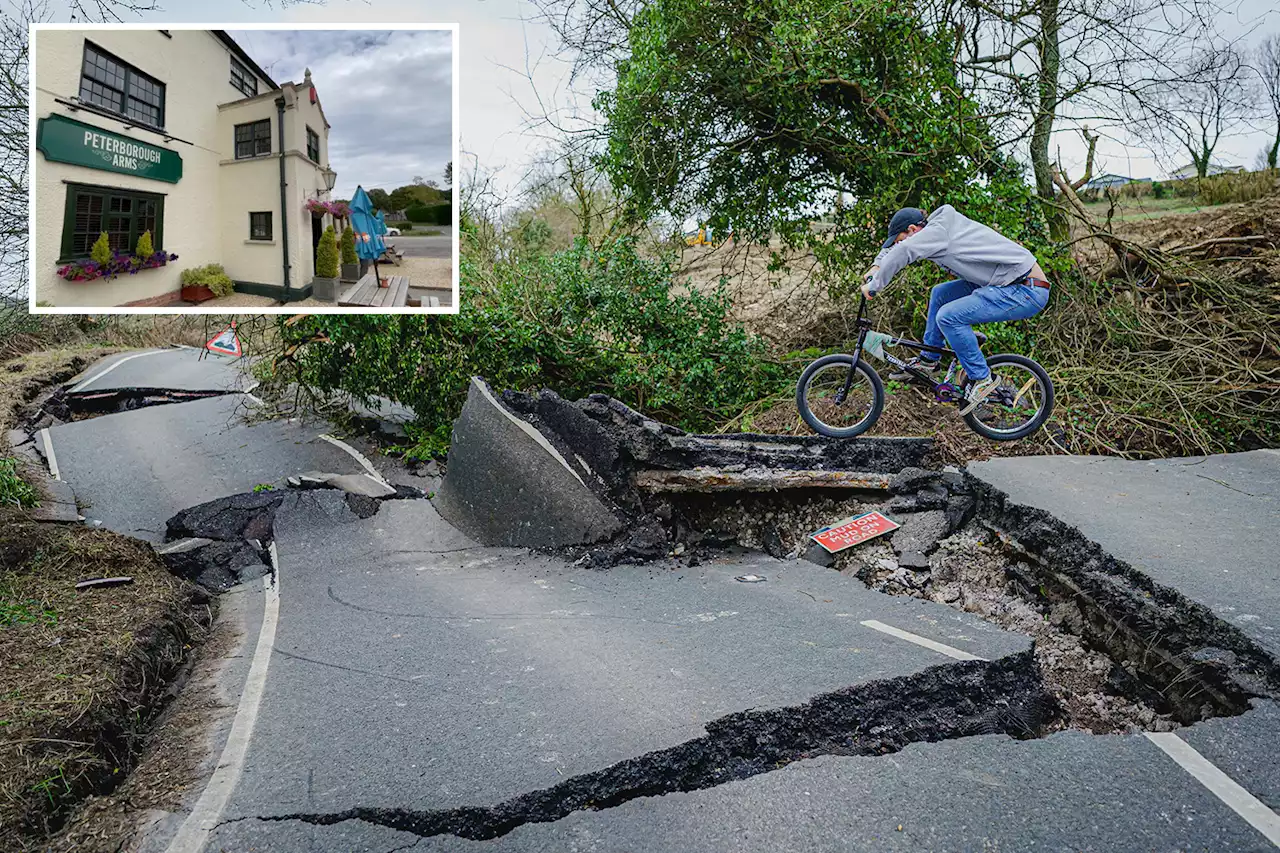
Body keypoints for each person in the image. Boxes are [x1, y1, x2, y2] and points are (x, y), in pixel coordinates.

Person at [861, 205, 1051, 414]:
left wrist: (874, 285)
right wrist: (876, 266)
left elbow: (904, 250)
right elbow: (896, 248)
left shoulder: (937, 232)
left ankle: (982, 379)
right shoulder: (934, 229)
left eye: (900, 238)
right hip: (999, 281)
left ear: (913, 230)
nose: (900, 243)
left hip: (1025, 289)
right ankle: (928, 361)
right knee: (940, 294)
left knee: (949, 317)